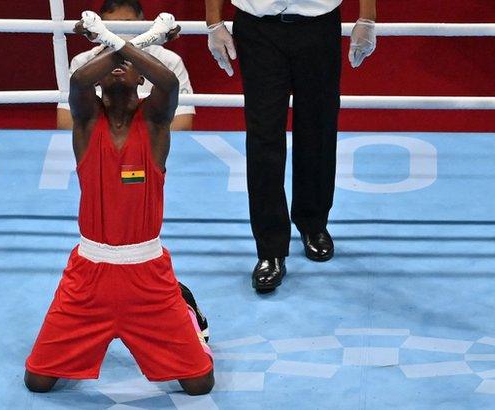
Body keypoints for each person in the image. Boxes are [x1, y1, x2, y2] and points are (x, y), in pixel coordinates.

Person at [25, 11, 214, 395]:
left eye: (129, 66)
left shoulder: (156, 124)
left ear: (140, 80)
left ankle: (187, 313)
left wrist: (111, 39)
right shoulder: (87, 123)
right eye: (112, 62)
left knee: (199, 384)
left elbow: (168, 81)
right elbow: (79, 79)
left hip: (147, 272)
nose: (119, 67)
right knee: (38, 381)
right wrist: (136, 41)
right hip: (89, 274)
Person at [204, 0, 377, 292]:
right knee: (263, 135)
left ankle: (313, 223)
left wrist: (367, 19)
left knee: (318, 126)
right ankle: (269, 250)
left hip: (318, 24)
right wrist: (213, 23)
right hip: (257, 27)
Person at [57, 0, 196, 131]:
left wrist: (139, 139)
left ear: (142, 24)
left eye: (127, 24)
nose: (120, 33)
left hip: (150, 144)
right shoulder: (83, 61)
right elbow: (65, 122)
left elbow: (182, 122)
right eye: (112, 27)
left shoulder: (169, 60)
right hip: (99, 141)